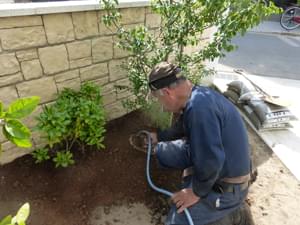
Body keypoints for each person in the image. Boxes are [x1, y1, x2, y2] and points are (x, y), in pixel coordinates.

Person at [147, 62, 255, 225]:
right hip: (227, 170)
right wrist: (159, 137)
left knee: (176, 221)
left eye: (159, 100)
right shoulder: (200, 96)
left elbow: (211, 161)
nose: (161, 106)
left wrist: (195, 193)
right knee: (176, 154)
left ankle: (233, 214)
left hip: (228, 190)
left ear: (168, 93)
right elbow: (182, 126)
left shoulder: (200, 111)